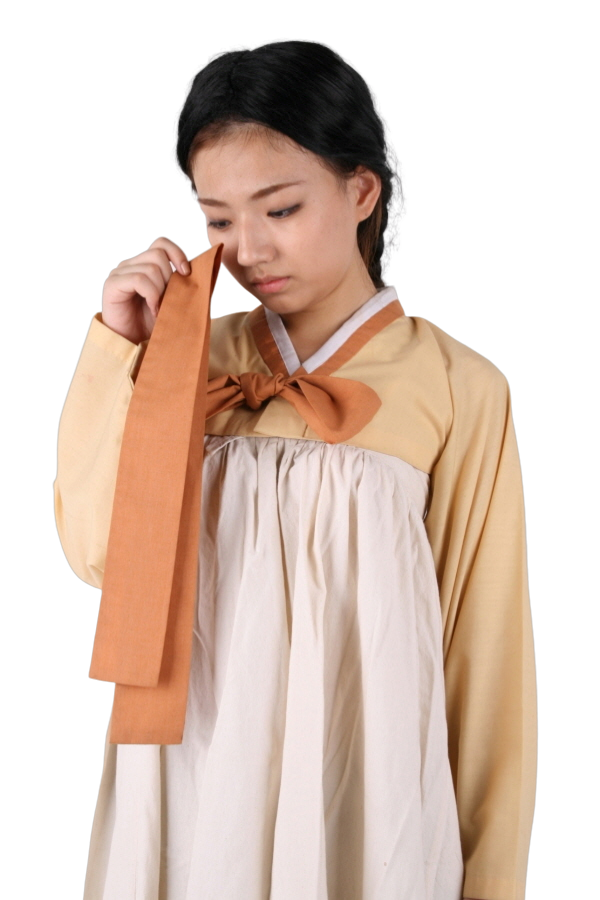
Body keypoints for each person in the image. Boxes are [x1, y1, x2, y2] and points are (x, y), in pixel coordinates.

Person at [53, 38, 536, 900]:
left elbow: (486, 655)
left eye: (279, 208)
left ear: (360, 190)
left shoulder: (458, 387)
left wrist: (491, 881)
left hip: (365, 794)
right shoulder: (181, 356)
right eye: (218, 219)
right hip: (187, 774)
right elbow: (98, 557)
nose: (247, 249)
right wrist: (119, 349)